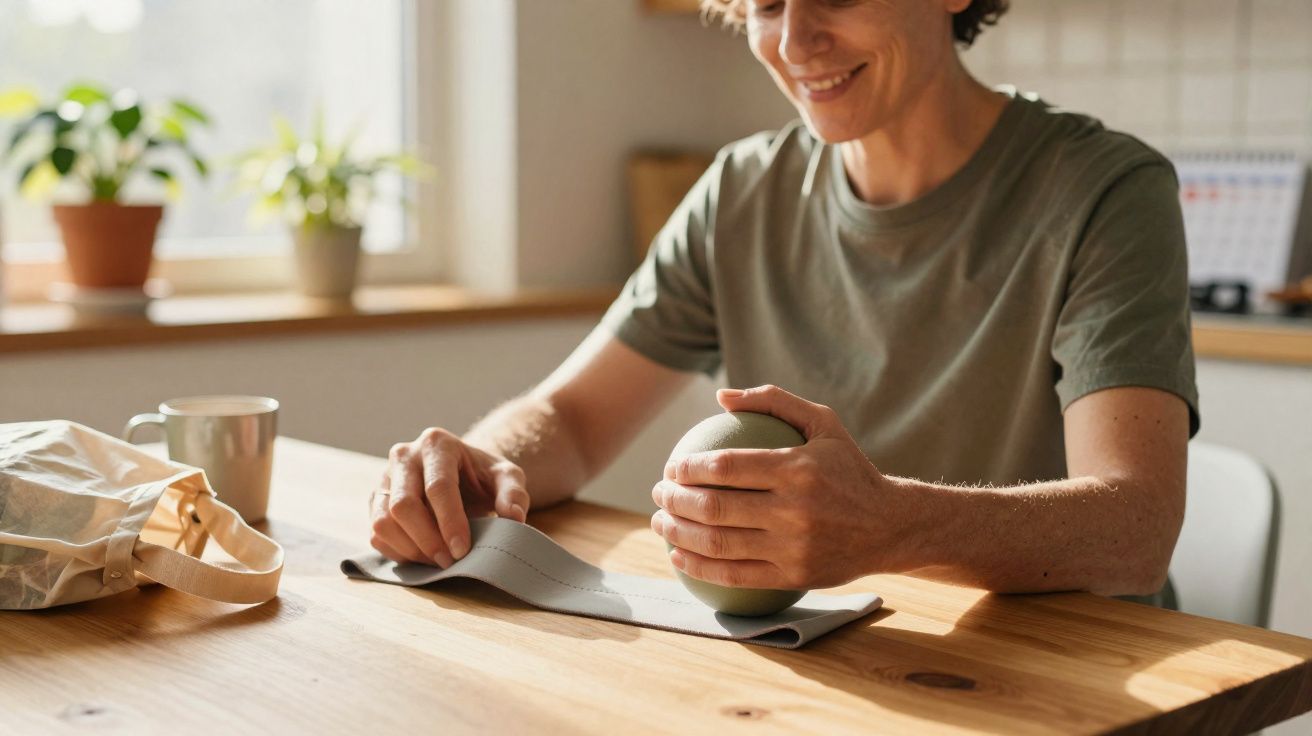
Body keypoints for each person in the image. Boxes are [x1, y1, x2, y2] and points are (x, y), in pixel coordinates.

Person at [367, 0, 1199, 606]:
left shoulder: (1105, 192)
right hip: (844, 666)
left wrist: (891, 525)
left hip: (1069, 682)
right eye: (767, 4)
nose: (795, 42)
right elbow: (574, 421)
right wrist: (482, 465)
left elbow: (1136, 529)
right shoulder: (740, 191)